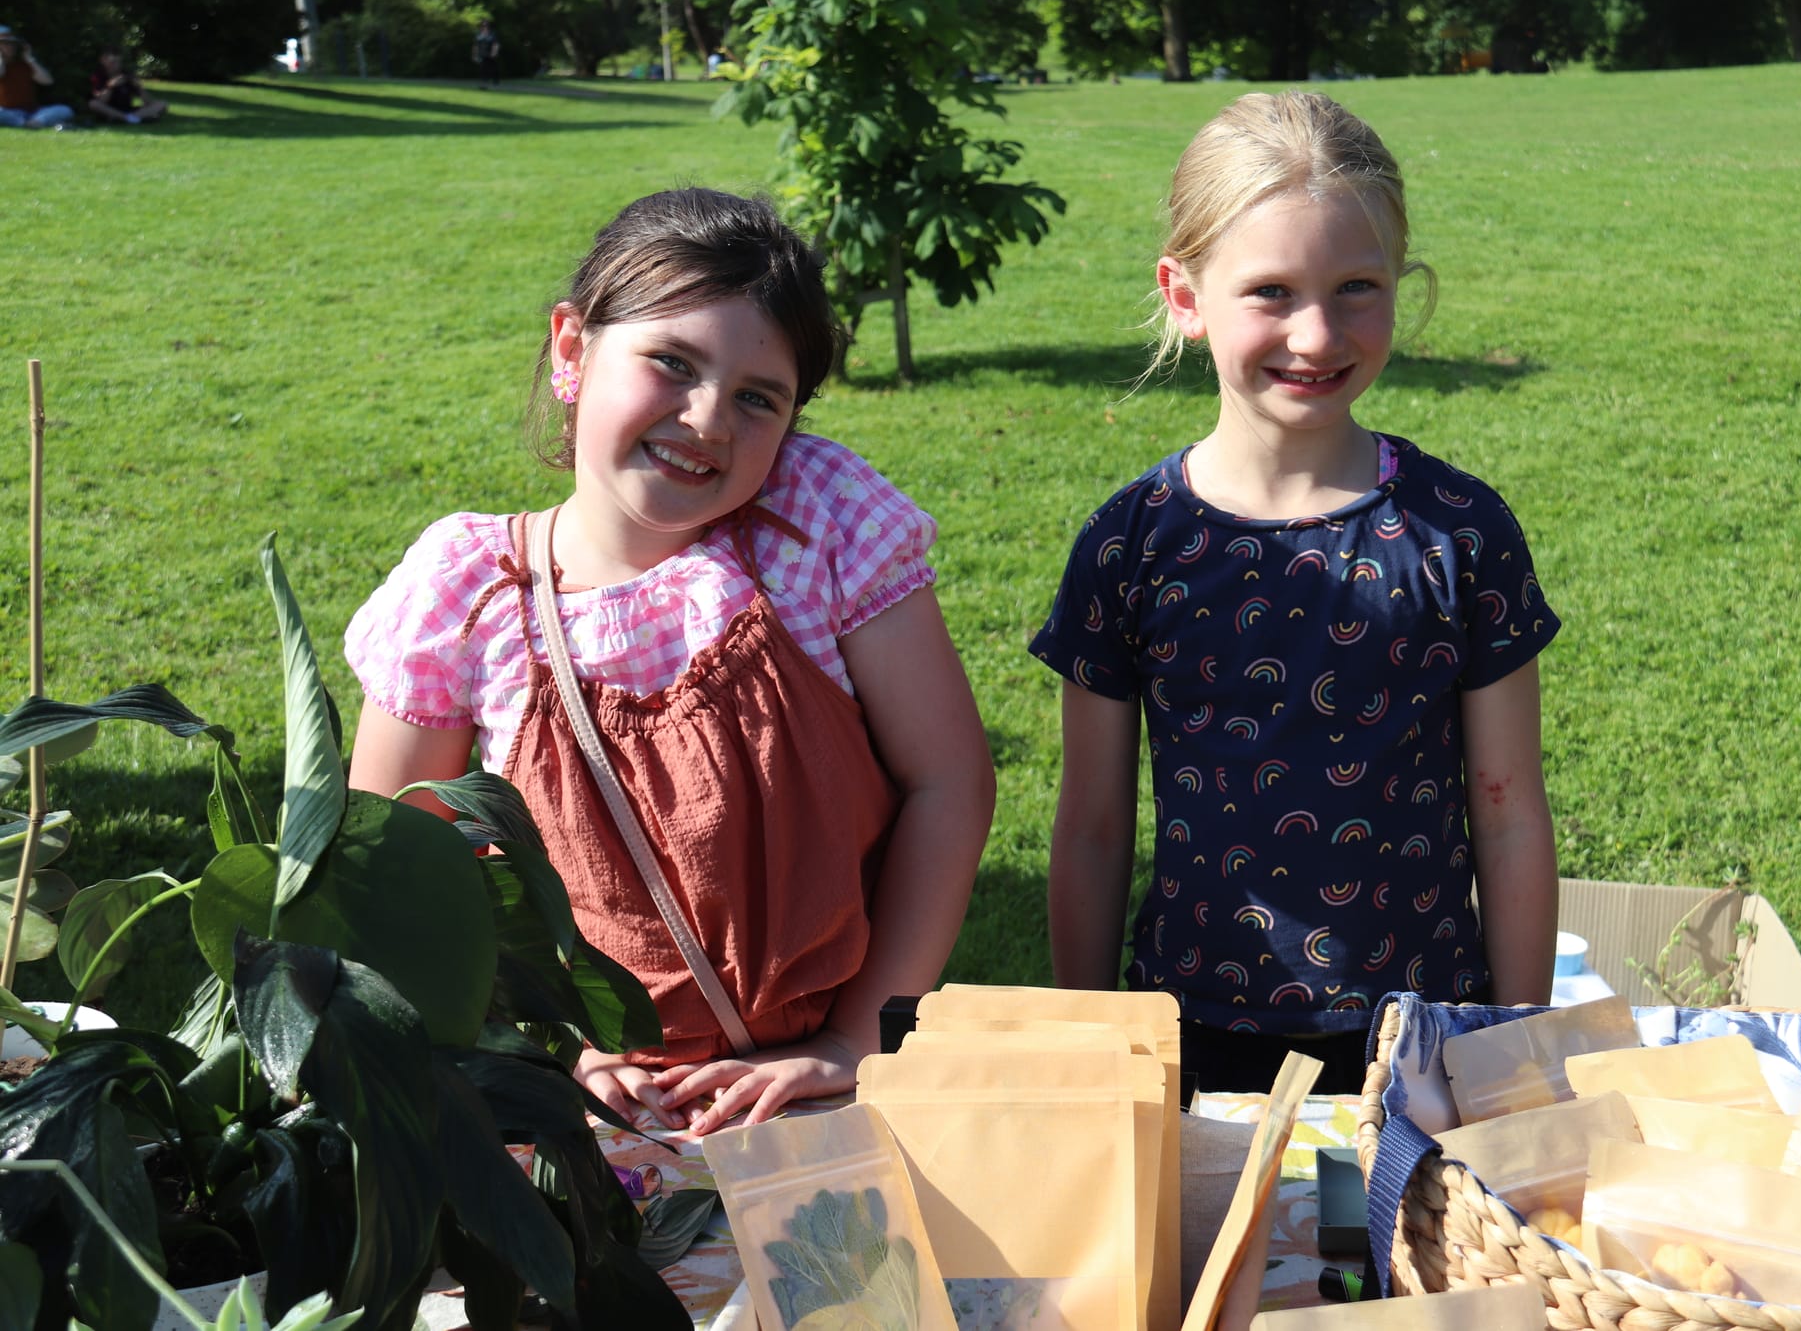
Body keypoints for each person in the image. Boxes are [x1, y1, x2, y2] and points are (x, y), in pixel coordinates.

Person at [345, 188, 995, 1134]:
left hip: (827, 1096)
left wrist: (858, 1042)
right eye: (671, 362)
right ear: (572, 348)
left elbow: (950, 781)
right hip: (582, 1115)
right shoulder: (464, 590)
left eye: (757, 397)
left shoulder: (815, 524)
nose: (707, 420)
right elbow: (394, 871)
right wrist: (548, 1051)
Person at [1032, 92, 1560, 1097]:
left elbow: (1506, 808)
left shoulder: (1459, 531)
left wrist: (1510, 1036)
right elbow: (1091, 826)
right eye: (1269, 291)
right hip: (1190, 1030)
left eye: (1354, 286)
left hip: (1422, 1033)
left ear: (1400, 286)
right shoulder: (1129, 543)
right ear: (1184, 297)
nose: (1315, 335)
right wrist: (1094, 1036)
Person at [0, 26, 74, 129]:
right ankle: (25, 124)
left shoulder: (25, 64)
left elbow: (47, 81)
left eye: (12, 44)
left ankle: (34, 122)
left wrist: (29, 59)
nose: (10, 47)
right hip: (8, 112)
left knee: (65, 110)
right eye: (5, 43)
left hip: (33, 112)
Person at [86, 48, 166, 125]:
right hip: (110, 109)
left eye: (119, 62)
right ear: (103, 61)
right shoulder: (98, 76)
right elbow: (101, 101)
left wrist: (139, 88)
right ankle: (130, 118)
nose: (117, 65)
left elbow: (148, 102)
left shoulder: (127, 75)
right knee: (93, 104)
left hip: (128, 110)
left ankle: (128, 118)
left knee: (161, 104)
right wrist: (110, 87)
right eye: (113, 62)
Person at [471, 18, 499, 88]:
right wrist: (474, 55)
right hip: (482, 54)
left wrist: (494, 52)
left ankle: (495, 80)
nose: (484, 27)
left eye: (486, 25)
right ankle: (484, 83)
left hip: (490, 54)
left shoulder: (492, 34)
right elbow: (476, 45)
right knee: (483, 68)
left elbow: (495, 44)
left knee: (493, 68)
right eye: (483, 25)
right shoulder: (478, 35)